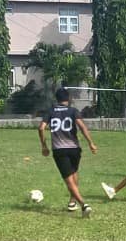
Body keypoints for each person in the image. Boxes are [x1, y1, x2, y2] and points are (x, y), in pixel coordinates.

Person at [39, 88, 98, 218]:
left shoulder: (51, 111)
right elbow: (82, 127)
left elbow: (41, 128)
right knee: (74, 173)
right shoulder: (73, 111)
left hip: (59, 150)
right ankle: (72, 202)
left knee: (68, 180)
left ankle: (84, 205)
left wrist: (44, 146)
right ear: (69, 98)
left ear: (56, 99)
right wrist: (91, 143)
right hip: (75, 149)